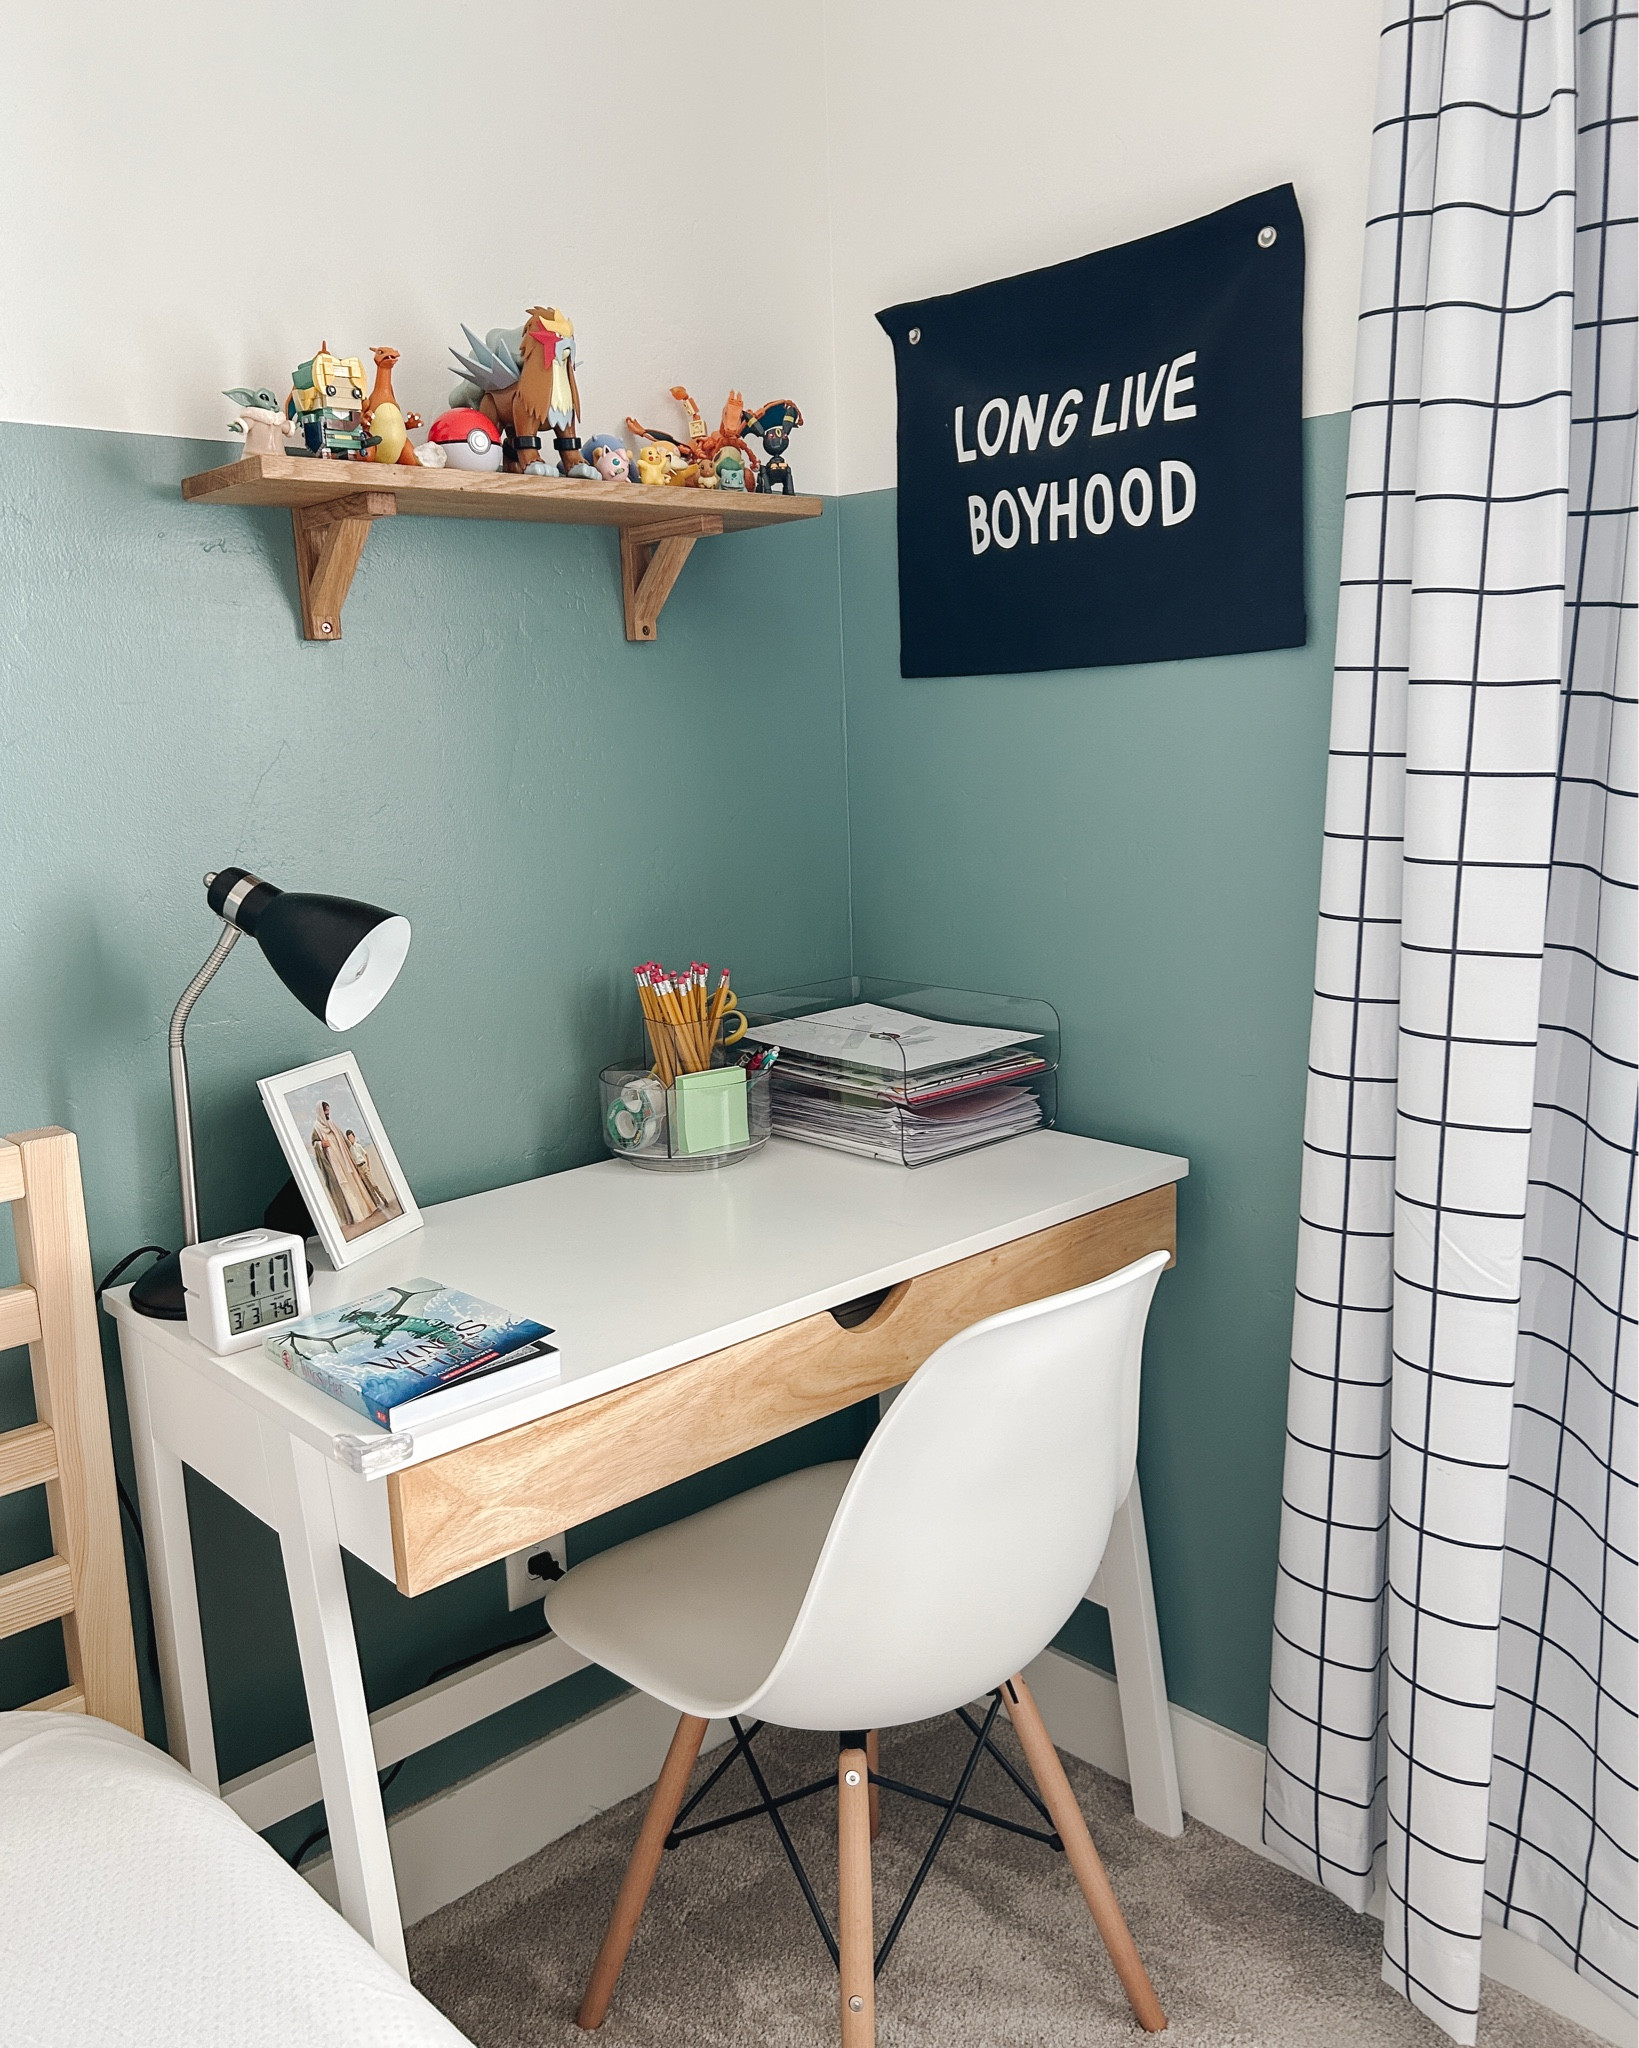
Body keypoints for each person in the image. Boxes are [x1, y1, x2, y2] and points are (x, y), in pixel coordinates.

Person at [311, 1100, 375, 1227]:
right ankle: (357, 1216)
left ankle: (367, 1210)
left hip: (345, 1160)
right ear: (321, 1112)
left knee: (354, 1183)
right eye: (326, 1111)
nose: (328, 1113)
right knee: (345, 1187)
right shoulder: (316, 1128)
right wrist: (320, 1144)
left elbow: (344, 1141)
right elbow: (314, 1143)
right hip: (334, 1163)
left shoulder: (332, 1124)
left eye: (328, 1110)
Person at [346, 1128, 393, 1213]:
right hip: (359, 1168)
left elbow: (366, 1154)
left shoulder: (358, 1146)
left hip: (364, 1166)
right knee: (369, 1188)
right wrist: (358, 1171)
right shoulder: (351, 1149)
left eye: (352, 1137)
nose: (351, 1139)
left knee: (374, 1185)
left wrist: (368, 1165)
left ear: (354, 1137)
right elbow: (354, 1160)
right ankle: (379, 1205)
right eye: (349, 1138)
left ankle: (384, 1200)